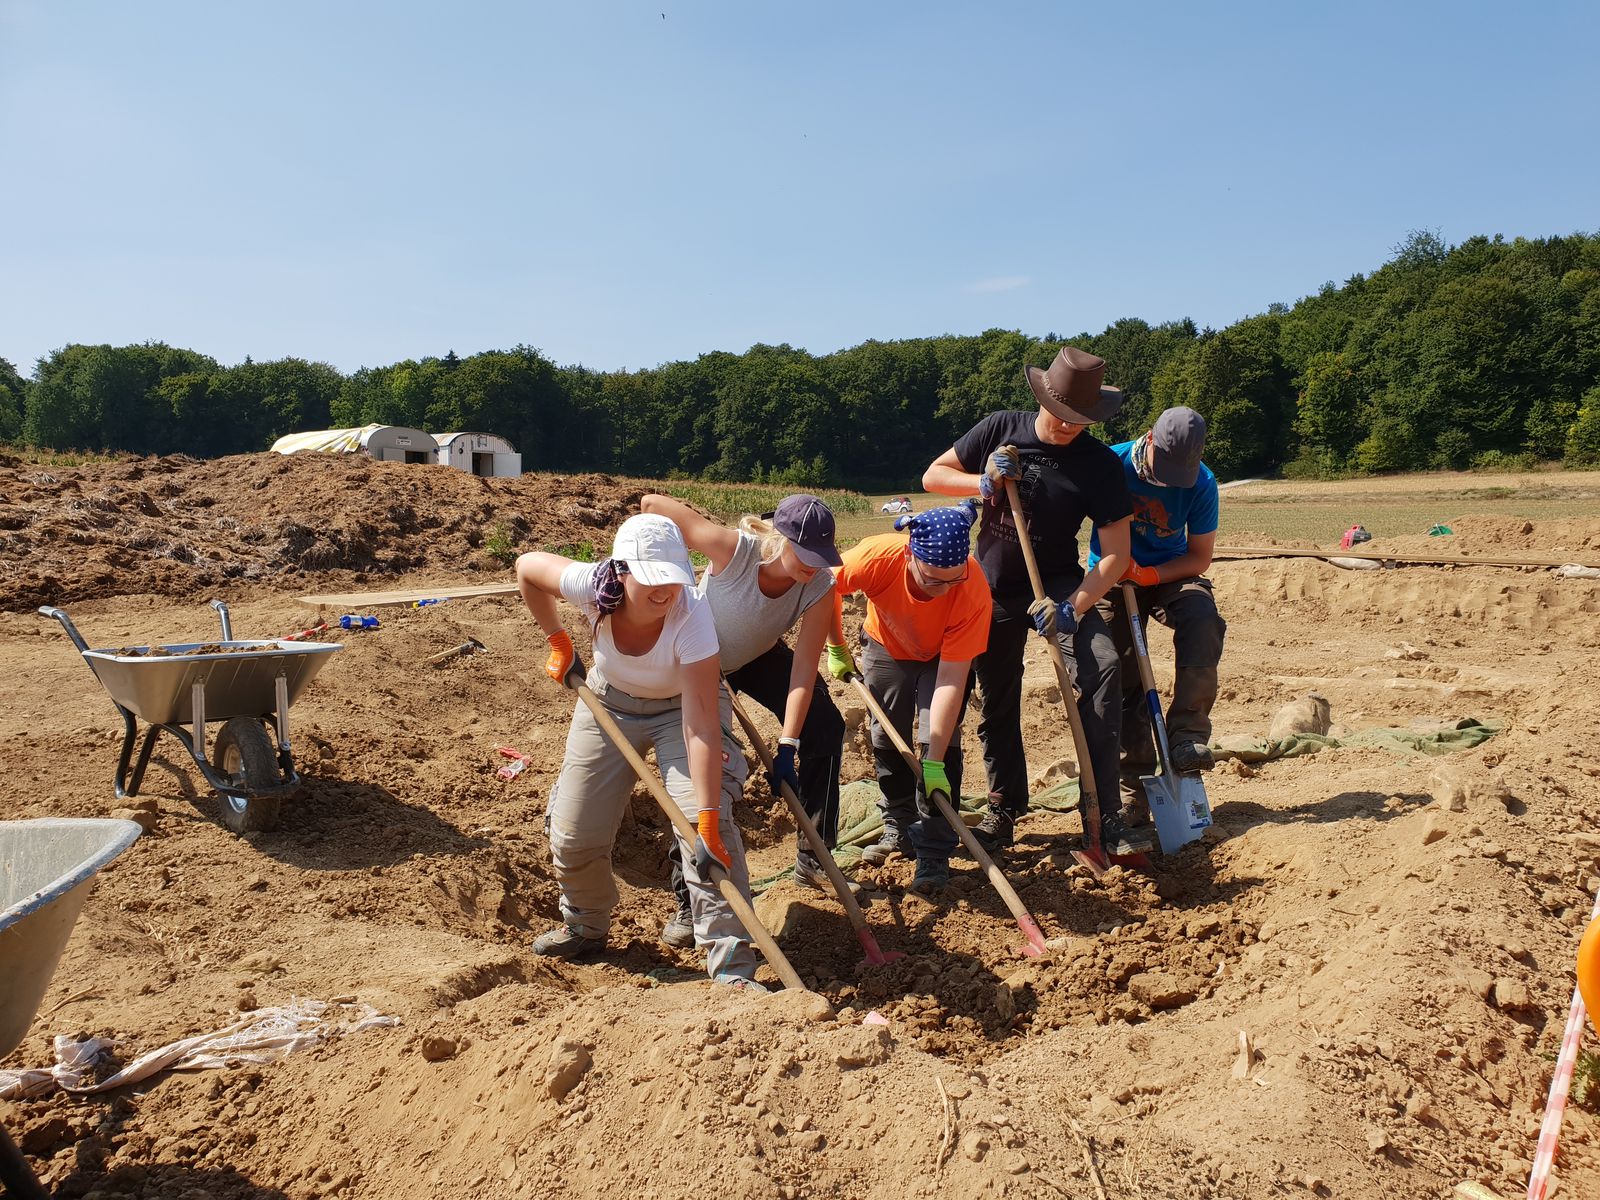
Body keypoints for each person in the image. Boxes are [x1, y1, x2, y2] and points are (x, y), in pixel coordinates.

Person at [514, 513, 762, 989]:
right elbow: (527, 567)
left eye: (672, 579)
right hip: (609, 702)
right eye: (651, 581)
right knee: (573, 827)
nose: (665, 592)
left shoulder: (692, 617)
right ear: (621, 570)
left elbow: (701, 727)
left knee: (702, 833)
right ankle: (584, 924)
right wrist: (559, 640)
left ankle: (730, 965)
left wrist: (706, 816)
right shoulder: (591, 585)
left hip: (682, 710)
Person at [922, 345, 1153, 857]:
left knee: (1103, 668)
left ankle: (1102, 809)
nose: (1071, 426)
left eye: (1082, 418)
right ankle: (1005, 805)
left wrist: (1074, 605)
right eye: (1064, 414)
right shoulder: (1001, 428)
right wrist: (982, 481)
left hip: (1059, 585)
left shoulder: (1098, 465)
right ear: (1043, 397)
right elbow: (933, 476)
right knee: (997, 696)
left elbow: (1116, 555)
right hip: (992, 587)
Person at [639, 492, 848, 948]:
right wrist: (663, 565)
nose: (812, 567)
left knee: (825, 725)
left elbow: (802, 672)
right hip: (696, 658)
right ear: (779, 539)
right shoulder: (731, 549)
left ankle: (815, 854)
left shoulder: (820, 587)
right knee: (700, 773)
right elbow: (651, 504)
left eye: (821, 558)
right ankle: (686, 899)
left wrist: (789, 743)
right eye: (805, 555)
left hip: (756, 655)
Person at [826, 502, 990, 894]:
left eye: (953, 580)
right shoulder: (878, 556)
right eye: (934, 581)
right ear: (909, 555)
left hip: (942, 658)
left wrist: (932, 760)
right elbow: (823, 585)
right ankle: (898, 824)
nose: (944, 590)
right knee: (885, 736)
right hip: (887, 645)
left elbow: (951, 678)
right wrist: (837, 646)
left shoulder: (973, 590)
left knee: (939, 742)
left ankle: (934, 848)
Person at [1090, 407, 1226, 810]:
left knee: (1203, 619)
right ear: (1149, 439)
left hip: (1168, 572)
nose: (1169, 480)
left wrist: (1150, 575)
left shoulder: (1202, 483)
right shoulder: (1110, 464)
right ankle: (1133, 784)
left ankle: (1187, 739)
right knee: (1122, 667)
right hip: (1110, 576)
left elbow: (1199, 557)